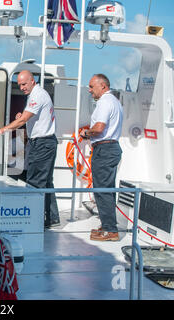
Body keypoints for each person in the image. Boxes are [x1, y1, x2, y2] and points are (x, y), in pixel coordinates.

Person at [0, 70, 60, 228]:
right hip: (41, 143)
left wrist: (0, 131)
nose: (21, 87)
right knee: (46, 182)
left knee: (35, 182)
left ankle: (34, 221)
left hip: (43, 144)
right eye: (19, 85)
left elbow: (23, 120)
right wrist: (23, 118)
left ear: (32, 81)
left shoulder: (37, 95)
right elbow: (28, 118)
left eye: (24, 84)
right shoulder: (35, 95)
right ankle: (52, 218)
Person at [80, 74, 123, 242]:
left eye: (92, 86)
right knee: (106, 189)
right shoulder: (115, 101)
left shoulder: (105, 102)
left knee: (102, 189)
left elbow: (98, 128)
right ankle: (107, 226)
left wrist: (86, 133)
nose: (90, 90)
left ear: (103, 86)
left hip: (104, 149)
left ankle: (110, 231)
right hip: (110, 148)